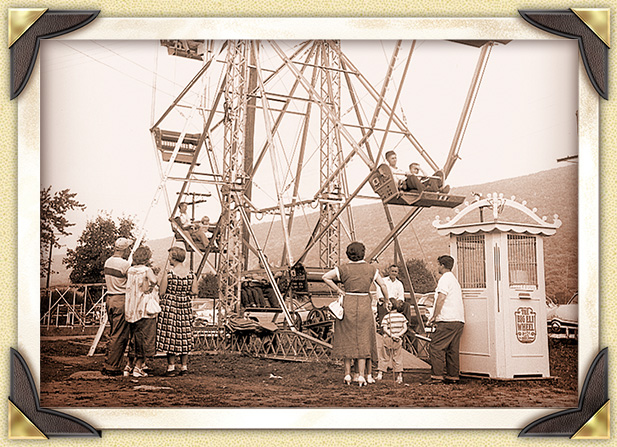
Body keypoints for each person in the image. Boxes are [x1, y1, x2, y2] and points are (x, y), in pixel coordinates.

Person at [322, 241, 390, 387]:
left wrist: (338, 290)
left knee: (348, 339)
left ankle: (347, 375)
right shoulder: (371, 269)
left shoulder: (343, 268)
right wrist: (387, 300)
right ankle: (361, 376)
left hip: (349, 303)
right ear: (363, 253)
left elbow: (325, 277)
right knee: (364, 339)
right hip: (364, 303)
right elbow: (383, 285)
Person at [156, 246, 199, 376]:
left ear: (174, 258)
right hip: (184, 305)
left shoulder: (169, 274)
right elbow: (194, 291)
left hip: (170, 306)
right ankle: (184, 366)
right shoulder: (191, 274)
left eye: (170, 256)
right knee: (184, 335)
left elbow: (162, 292)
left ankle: (171, 367)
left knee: (170, 335)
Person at [427, 255, 465, 384]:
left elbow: (441, 299)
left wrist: (434, 316)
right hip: (458, 319)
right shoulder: (454, 280)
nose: (437, 267)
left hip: (446, 319)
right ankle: (452, 376)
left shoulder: (444, 279)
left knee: (436, 347)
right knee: (452, 349)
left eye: (438, 264)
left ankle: (437, 376)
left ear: (442, 265)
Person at [124, 246, 159, 378]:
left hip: (131, 308)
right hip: (143, 308)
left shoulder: (130, 270)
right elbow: (154, 281)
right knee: (144, 338)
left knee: (133, 338)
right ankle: (138, 367)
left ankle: (128, 365)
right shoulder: (146, 270)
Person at [101, 237, 134, 376]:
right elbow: (132, 281)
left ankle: (109, 361)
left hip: (110, 298)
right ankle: (112, 366)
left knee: (114, 332)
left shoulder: (108, 262)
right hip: (121, 298)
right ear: (125, 249)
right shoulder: (125, 265)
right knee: (119, 335)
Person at [376, 299, 408, 384]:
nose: (387, 306)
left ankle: (380, 374)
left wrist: (392, 335)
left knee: (384, 356)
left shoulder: (387, 316)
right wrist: (398, 335)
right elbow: (405, 328)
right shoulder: (402, 317)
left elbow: (385, 328)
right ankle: (399, 376)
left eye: (389, 304)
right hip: (398, 339)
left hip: (388, 338)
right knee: (397, 358)